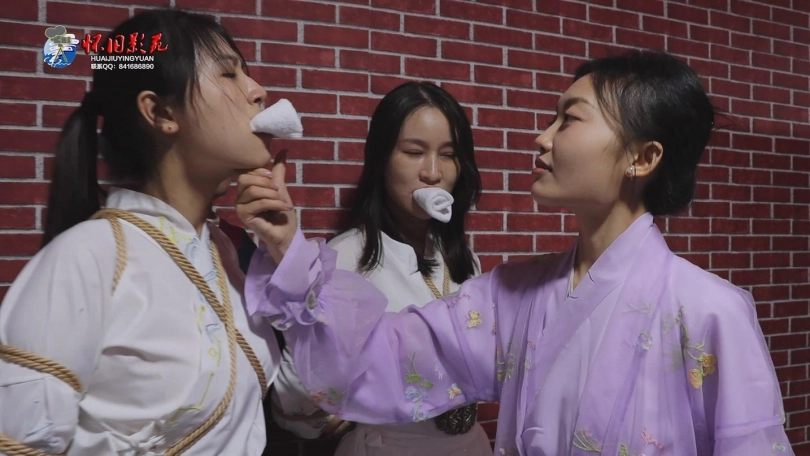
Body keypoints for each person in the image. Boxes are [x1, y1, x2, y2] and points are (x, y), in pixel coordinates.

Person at [237, 50, 794, 455]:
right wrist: (289, 248)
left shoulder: (711, 312)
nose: (541, 137)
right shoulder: (511, 295)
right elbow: (384, 357)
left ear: (642, 158)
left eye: (569, 119)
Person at [0, 9, 282, 455]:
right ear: (161, 112)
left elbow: (307, 412)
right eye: (229, 73)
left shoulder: (230, 254)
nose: (258, 91)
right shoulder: (89, 256)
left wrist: (287, 254)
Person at [270, 82, 492, 455]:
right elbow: (299, 403)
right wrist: (322, 411)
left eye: (448, 154)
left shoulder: (465, 260)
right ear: (381, 159)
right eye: (414, 152)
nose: (433, 172)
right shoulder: (346, 257)